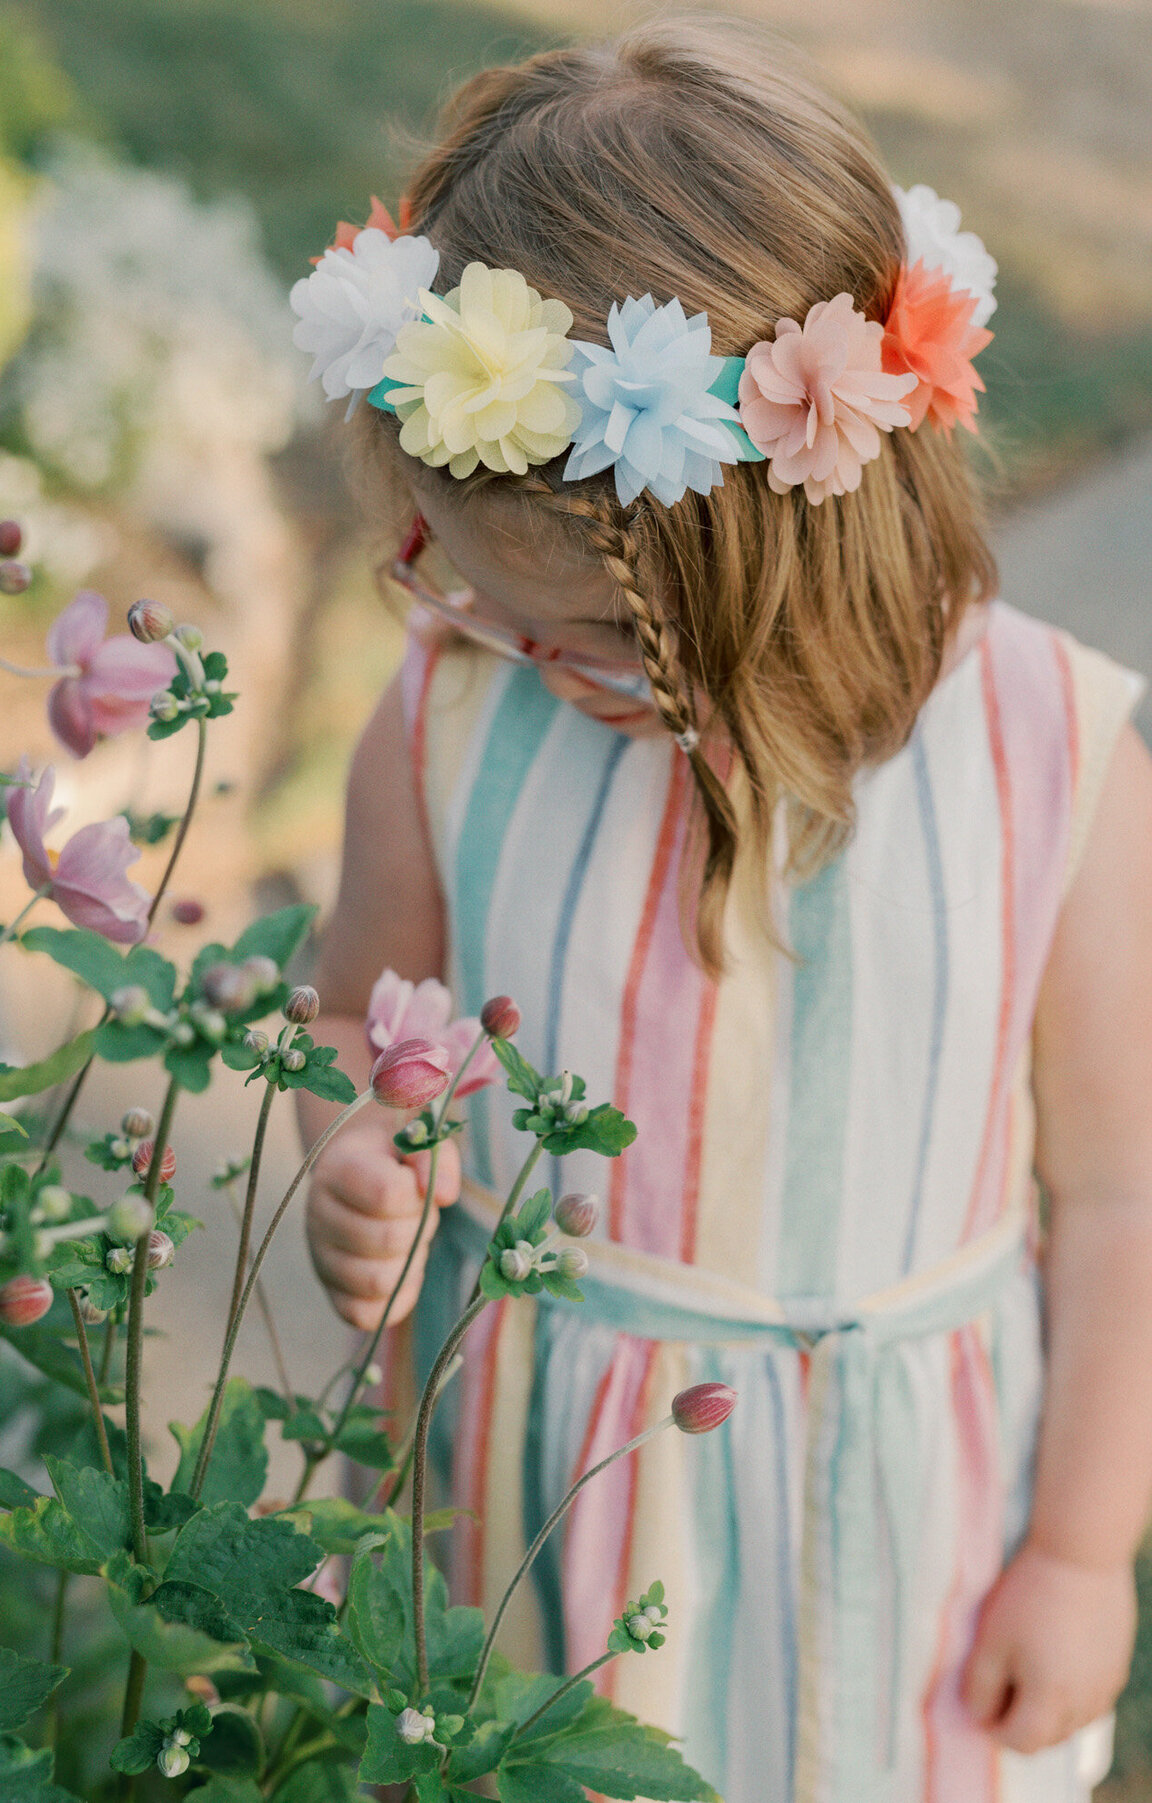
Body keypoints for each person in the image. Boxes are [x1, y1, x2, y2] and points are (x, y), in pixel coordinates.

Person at [291, 17, 1152, 1801]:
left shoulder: (1051, 756)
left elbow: (1125, 1183)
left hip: (907, 1518)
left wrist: (1080, 1552)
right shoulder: (454, 719)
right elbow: (348, 1013)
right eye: (497, 601)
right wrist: (361, 1149)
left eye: (598, 636)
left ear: (785, 554)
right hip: (543, 1493)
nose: (539, 659)